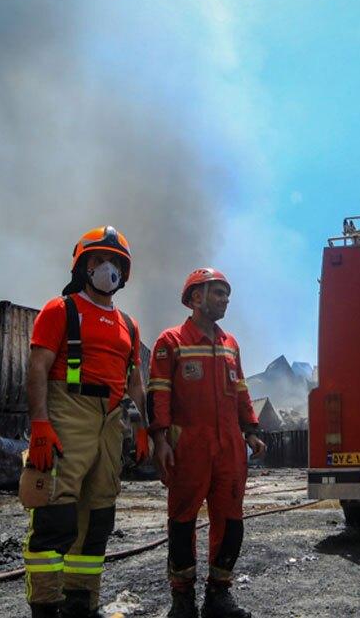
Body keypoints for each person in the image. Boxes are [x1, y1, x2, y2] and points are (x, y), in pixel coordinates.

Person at [22, 226, 150, 618]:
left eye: (115, 262)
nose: (106, 267)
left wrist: (144, 425)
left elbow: (135, 382)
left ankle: (81, 604)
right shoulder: (60, 310)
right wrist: (40, 425)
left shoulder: (129, 324)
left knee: (97, 517)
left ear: (124, 274)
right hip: (68, 410)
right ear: (82, 266)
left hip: (112, 420)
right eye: (98, 260)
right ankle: (45, 606)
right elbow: (38, 367)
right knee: (55, 515)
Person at [148, 268, 265, 618]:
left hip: (228, 446)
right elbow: (159, 394)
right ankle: (182, 599)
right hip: (189, 445)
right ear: (196, 297)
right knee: (182, 521)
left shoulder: (231, 345)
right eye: (218, 292)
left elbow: (241, 391)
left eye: (227, 293)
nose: (226, 299)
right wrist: (160, 439)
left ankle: (219, 595)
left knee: (231, 520)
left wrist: (252, 430)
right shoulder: (171, 342)